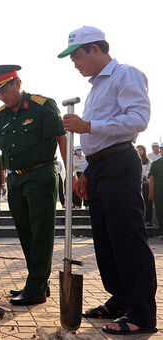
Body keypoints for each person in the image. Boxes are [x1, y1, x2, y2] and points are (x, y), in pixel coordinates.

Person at [59, 26, 157, 335]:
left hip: (119, 163)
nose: (76, 63)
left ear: (97, 49)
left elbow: (138, 119)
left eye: (77, 56)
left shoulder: (125, 75)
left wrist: (88, 125)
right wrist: (86, 171)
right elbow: (95, 141)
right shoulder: (96, 88)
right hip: (99, 167)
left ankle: (142, 313)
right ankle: (121, 298)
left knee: (127, 237)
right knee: (105, 239)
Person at [0, 64, 67, 306]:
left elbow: (61, 137)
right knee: (26, 233)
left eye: (3, 90)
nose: (1, 96)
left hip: (41, 176)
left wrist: (69, 172)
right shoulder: (1, 115)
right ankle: (38, 282)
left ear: (17, 84)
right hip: (16, 179)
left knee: (41, 232)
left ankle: (36, 287)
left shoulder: (43, 106)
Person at [149, 144, 163, 236]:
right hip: (159, 191)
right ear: (160, 152)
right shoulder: (155, 163)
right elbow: (152, 179)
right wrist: (151, 192)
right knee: (160, 211)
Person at [137, 145, 152, 225]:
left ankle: (148, 220)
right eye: (138, 150)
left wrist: (142, 176)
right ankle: (139, 220)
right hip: (136, 183)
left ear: (144, 151)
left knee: (147, 202)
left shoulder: (148, 161)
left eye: (141, 150)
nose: (139, 151)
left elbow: (148, 172)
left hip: (145, 183)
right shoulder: (133, 160)